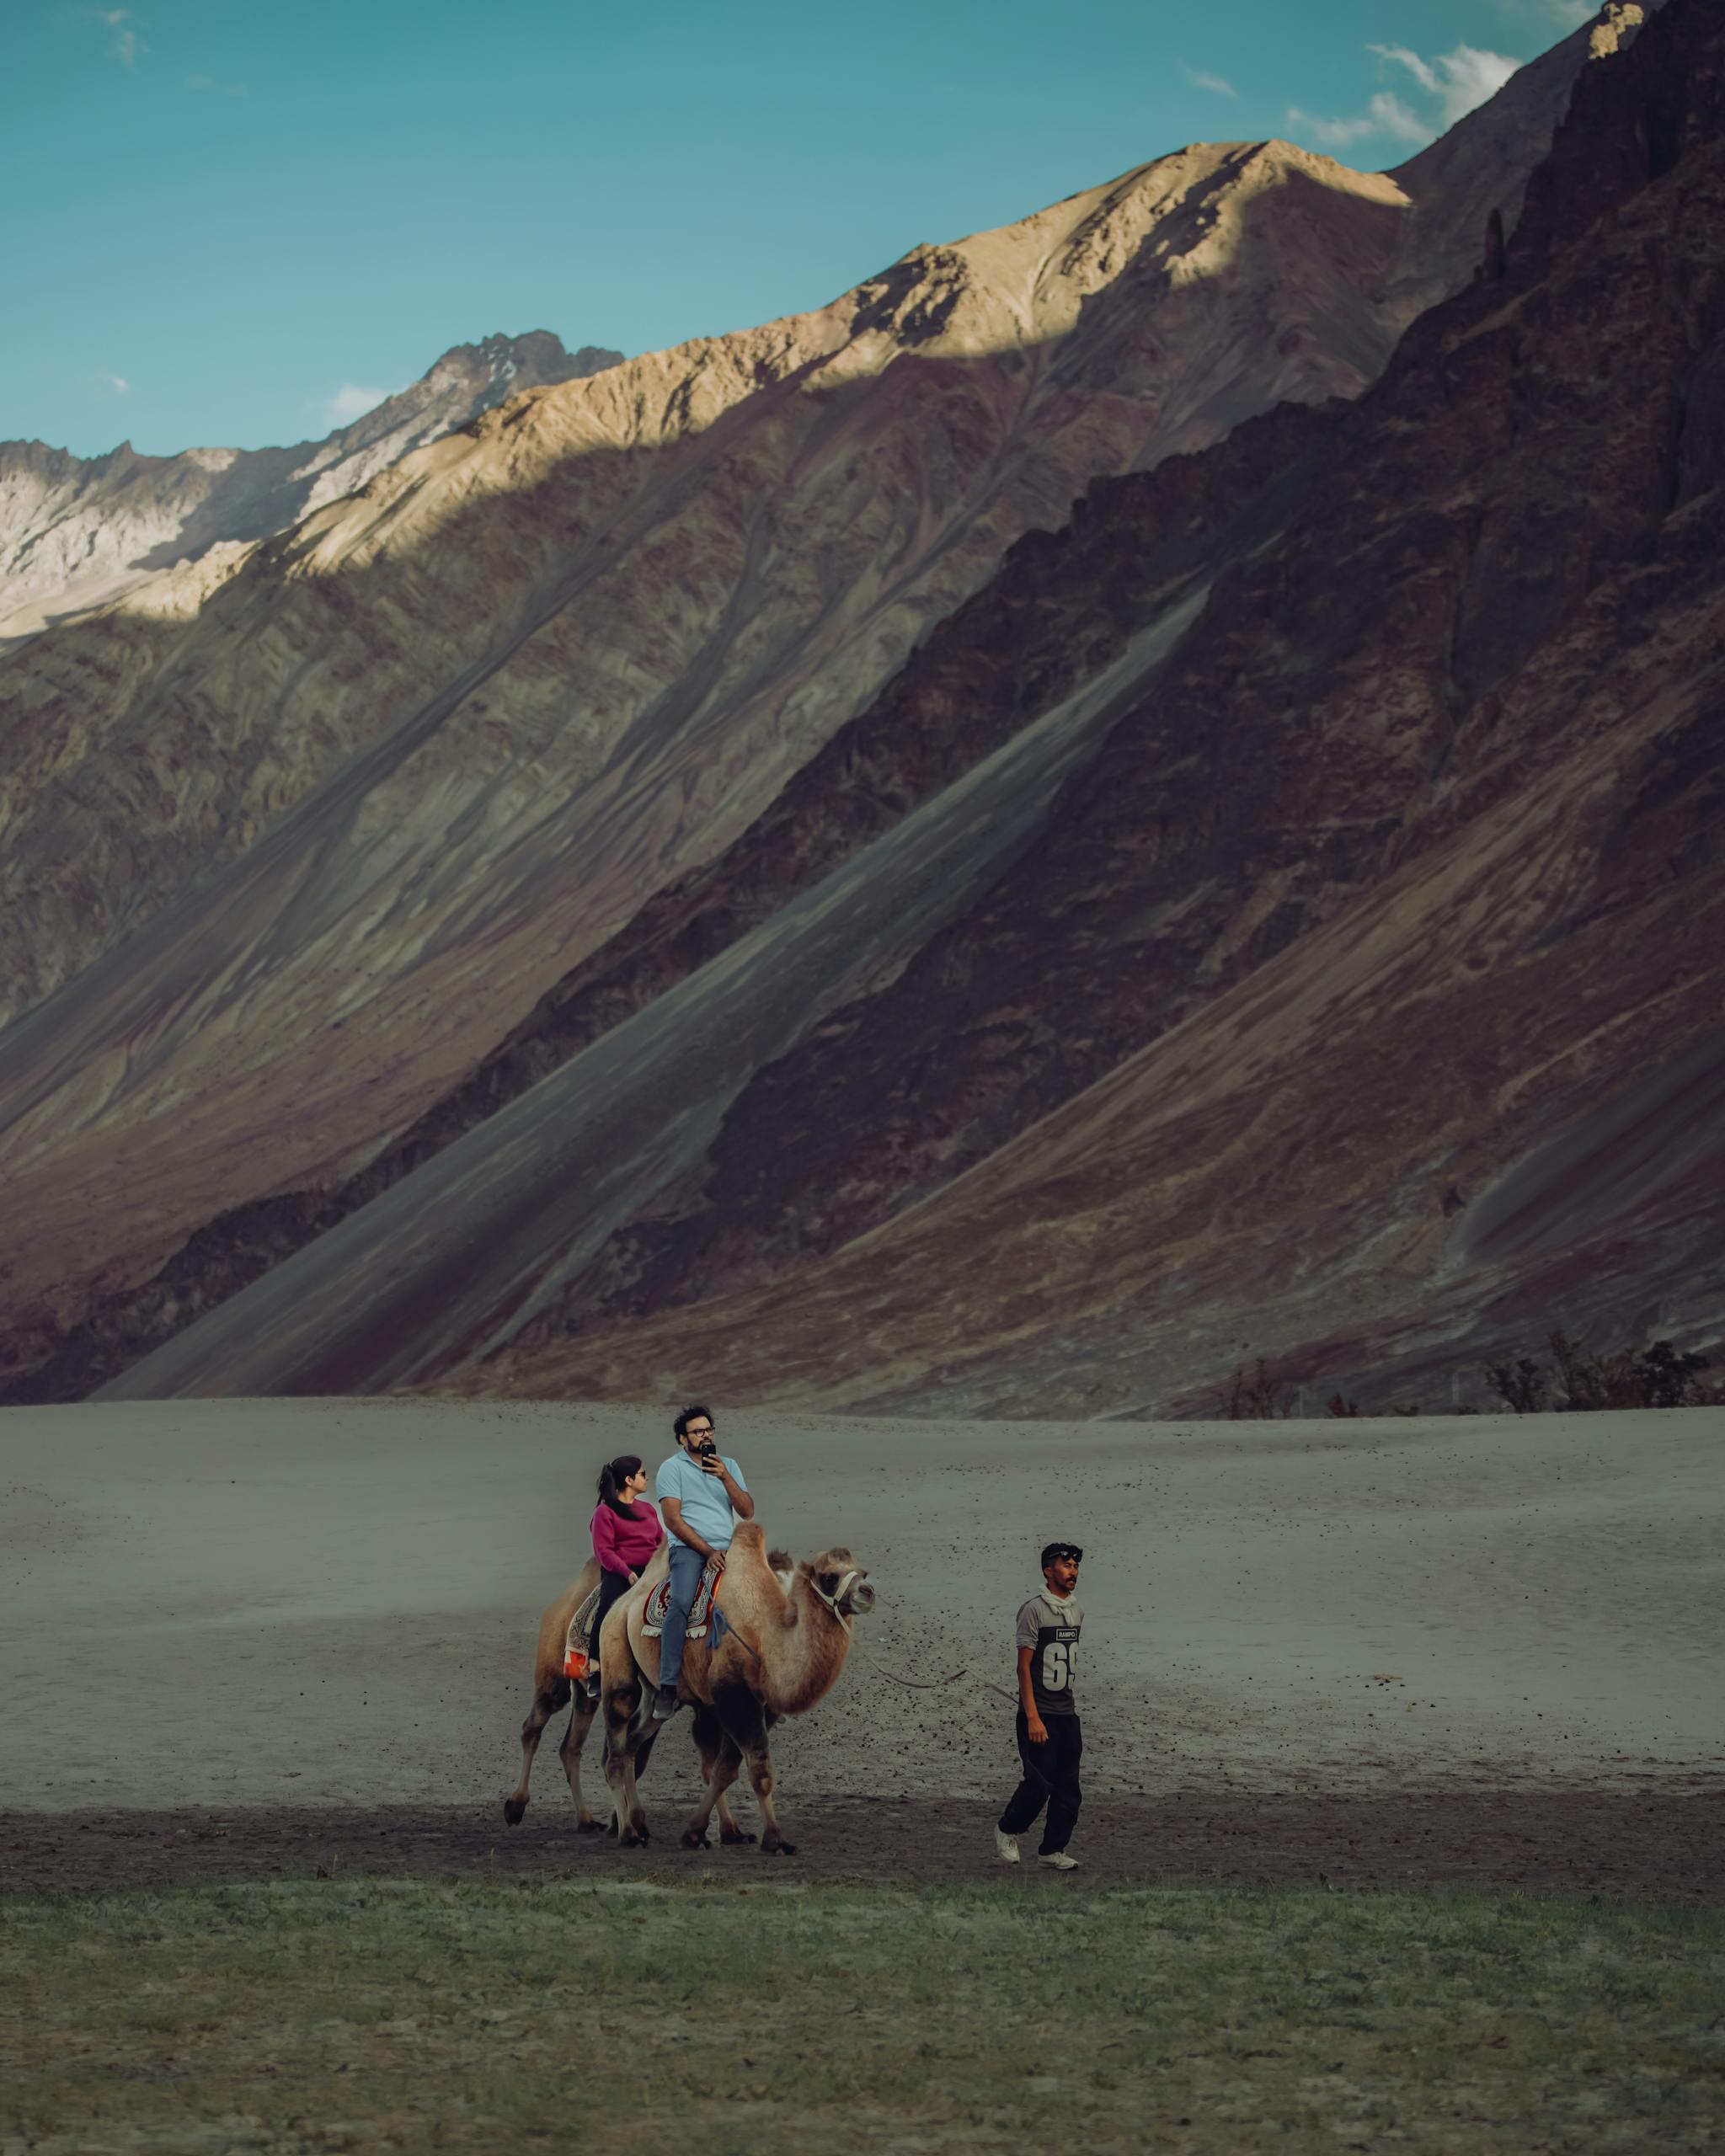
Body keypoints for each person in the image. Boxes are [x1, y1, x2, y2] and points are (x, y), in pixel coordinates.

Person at [652, 1404, 753, 1719]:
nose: (706, 1435)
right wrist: (708, 1552)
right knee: (681, 1601)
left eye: (709, 1429)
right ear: (683, 1439)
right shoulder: (672, 1468)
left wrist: (725, 1477)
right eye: (698, 1431)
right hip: (690, 1549)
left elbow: (747, 1510)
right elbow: (672, 1520)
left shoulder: (729, 1465)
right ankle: (667, 1686)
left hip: (731, 1547)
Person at [994, 1541, 1085, 1870]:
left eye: (1074, 1566)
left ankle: (1052, 1850)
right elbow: (1023, 1667)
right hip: (1039, 1714)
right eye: (1065, 1565)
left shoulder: (1077, 1610)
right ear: (1048, 1571)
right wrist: (1032, 1717)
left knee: (1069, 1787)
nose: (1072, 1571)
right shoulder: (1033, 1610)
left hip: (1066, 1713)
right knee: (1039, 1783)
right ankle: (1007, 1829)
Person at [583, 1454, 664, 1700]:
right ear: (629, 1480)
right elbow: (604, 1551)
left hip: (652, 1570)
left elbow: (660, 1541)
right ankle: (595, 1669)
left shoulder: (649, 1509)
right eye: (642, 1474)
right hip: (621, 1571)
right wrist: (627, 1573)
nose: (647, 1478)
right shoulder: (604, 1513)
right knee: (608, 1607)